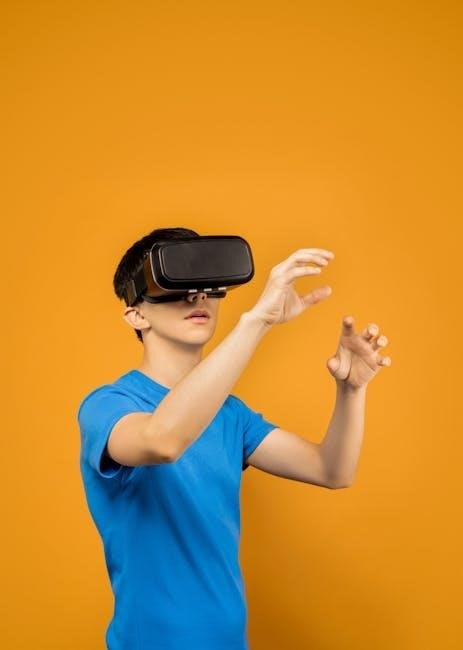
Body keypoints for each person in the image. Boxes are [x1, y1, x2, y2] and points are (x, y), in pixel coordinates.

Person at [77, 226, 391, 650]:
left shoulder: (231, 415)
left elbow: (332, 470)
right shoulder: (107, 405)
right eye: (176, 284)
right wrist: (258, 321)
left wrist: (351, 390)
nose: (197, 297)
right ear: (136, 315)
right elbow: (162, 440)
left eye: (207, 285)